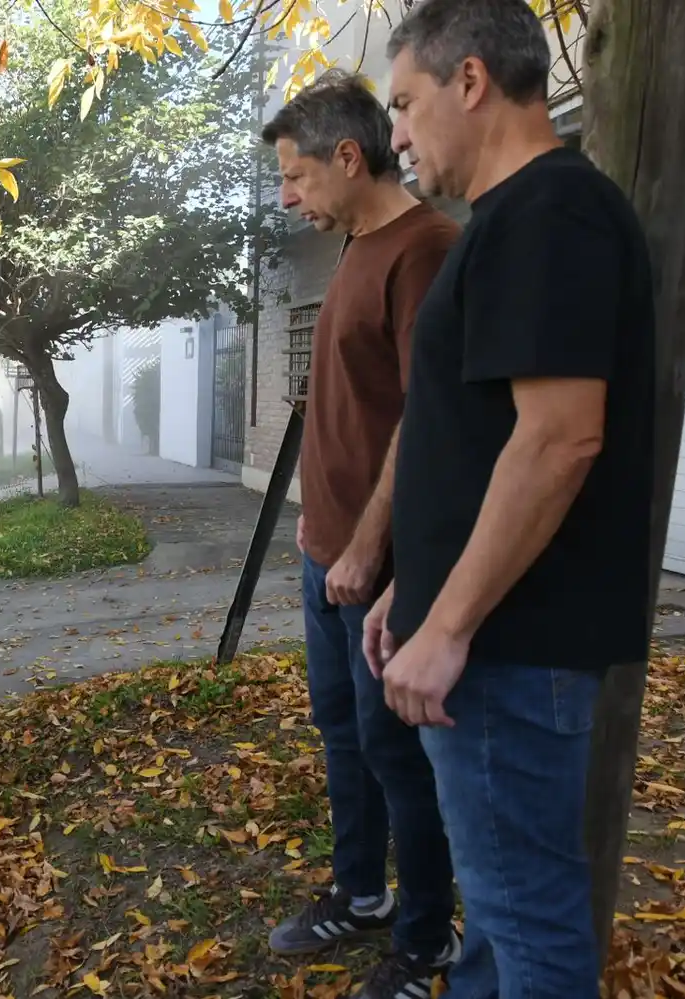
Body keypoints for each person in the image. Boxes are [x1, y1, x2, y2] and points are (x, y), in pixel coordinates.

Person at [366, 1, 657, 996]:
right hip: (485, 642)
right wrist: (415, 597)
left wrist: (445, 627)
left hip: (509, 651)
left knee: (527, 919)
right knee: (495, 918)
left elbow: (561, 437)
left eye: (404, 103)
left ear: (473, 81)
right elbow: (482, 441)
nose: (395, 134)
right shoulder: (512, 221)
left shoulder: (550, 213)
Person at [260, 69, 464, 998]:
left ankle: (426, 942)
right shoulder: (355, 246)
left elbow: (430, 416)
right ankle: (361, 893)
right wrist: (321, 533)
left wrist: (368, 550)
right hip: (325, 553)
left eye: (297, 178)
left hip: (380, 567)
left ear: (350, 156)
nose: (289, 197)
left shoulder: (424, 248)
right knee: (343, 733)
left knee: (398, 753)